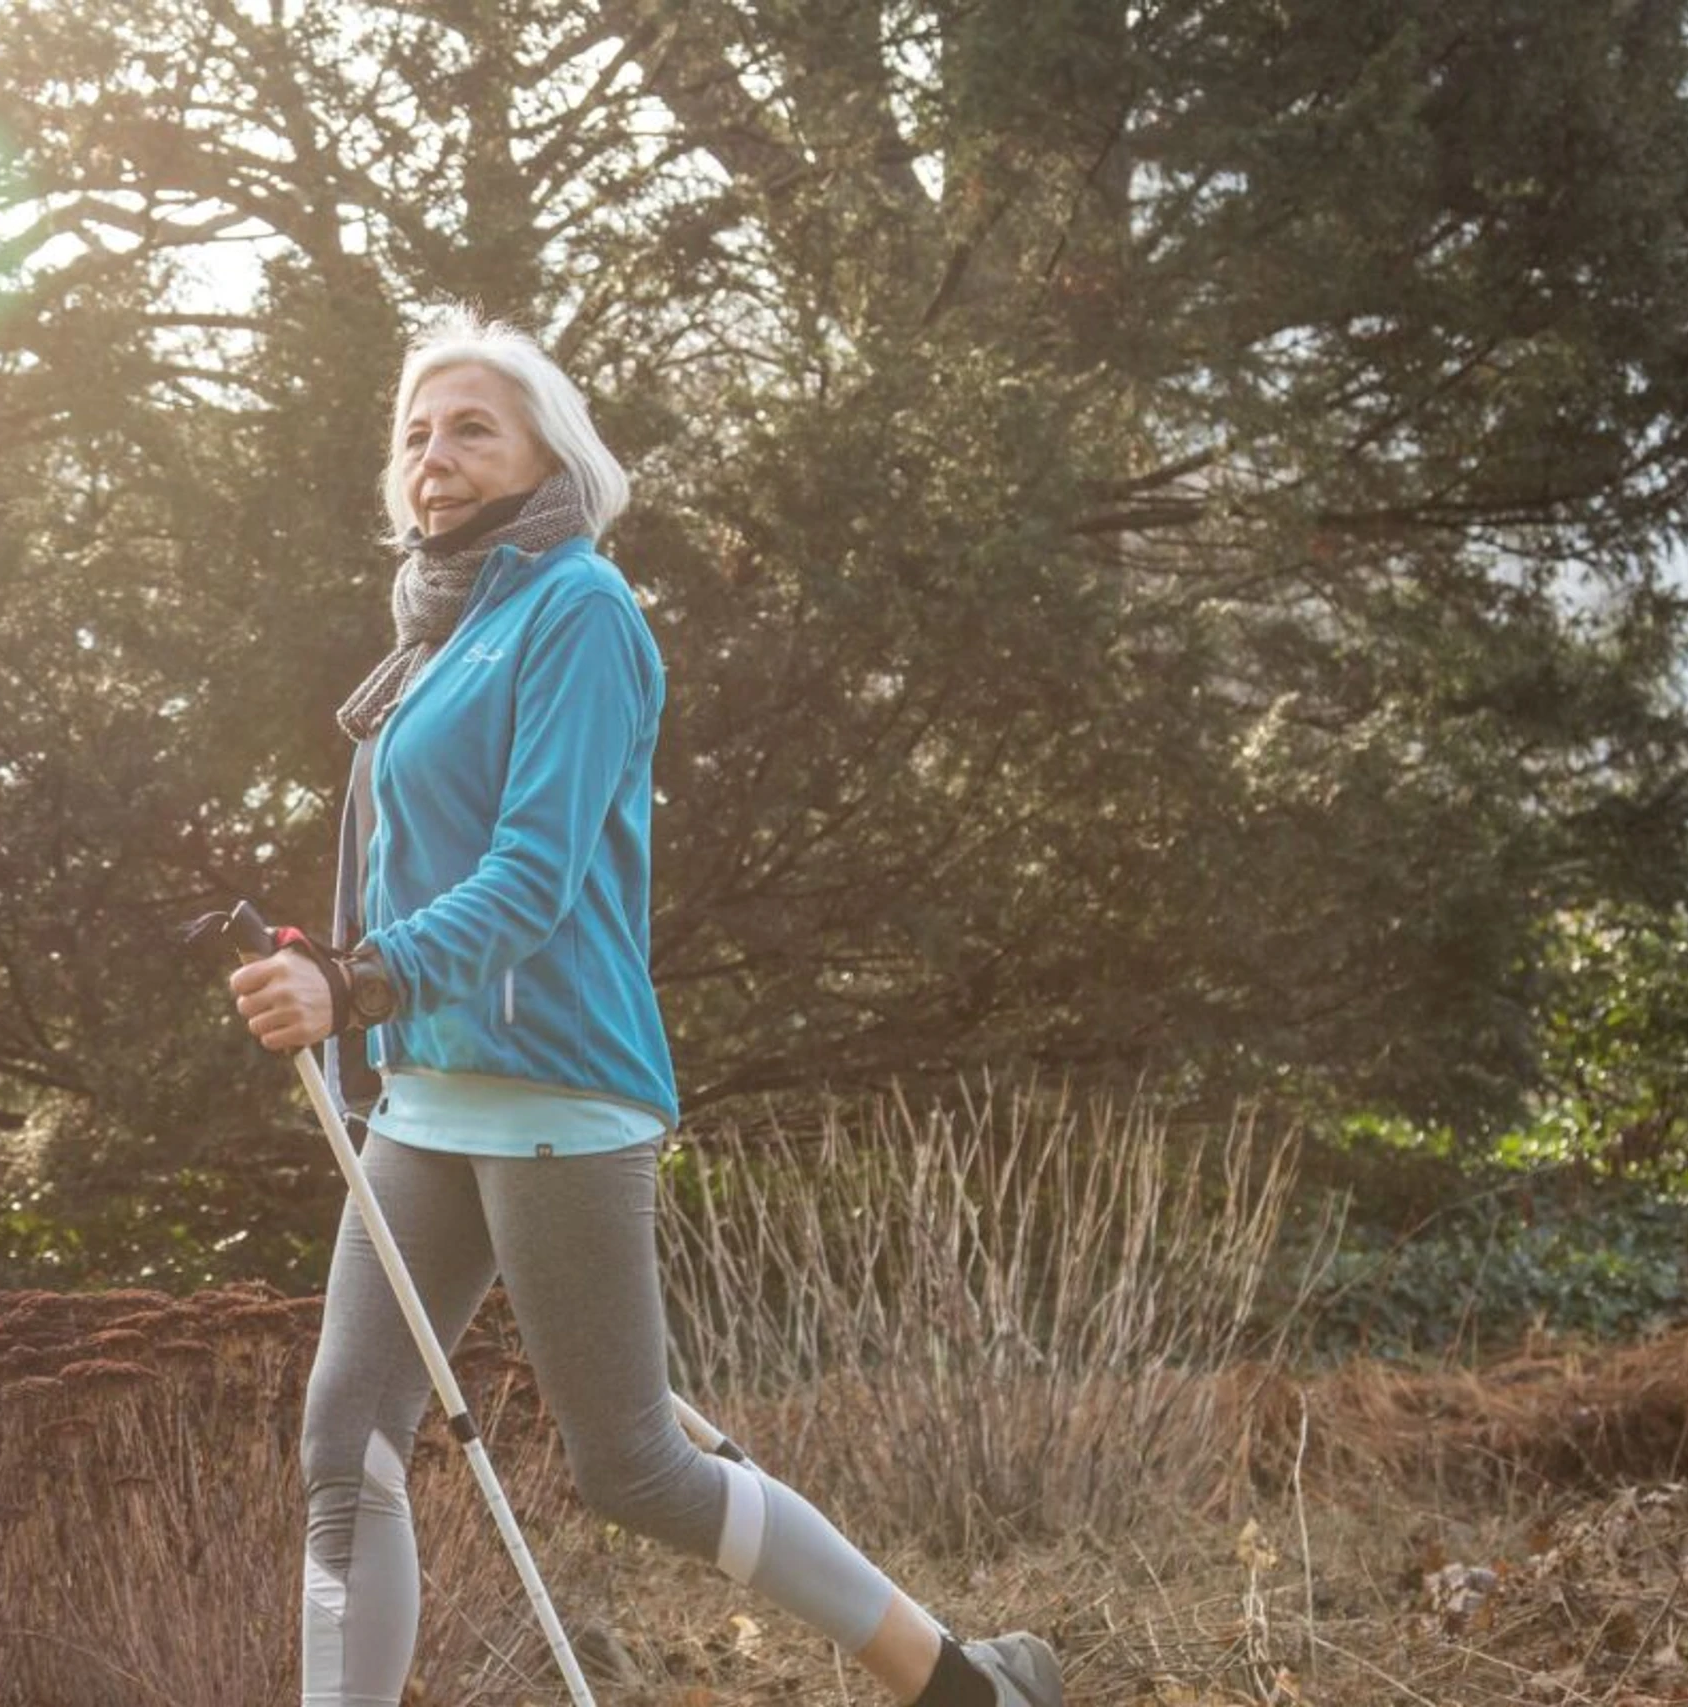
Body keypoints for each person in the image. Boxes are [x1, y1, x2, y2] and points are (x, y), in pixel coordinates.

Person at [227, 308, 1065, 1707]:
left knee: (634, 1466)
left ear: (549, 449)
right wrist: (338, 969)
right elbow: (420, 863)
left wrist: (358, 978)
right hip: (425, 1095)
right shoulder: (437, 636)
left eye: (472, 426)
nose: (435, 454)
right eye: (416, 435)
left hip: (558, 1088)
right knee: (345, 1440)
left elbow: (536, 874)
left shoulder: (579, 608)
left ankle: (960, 1683)